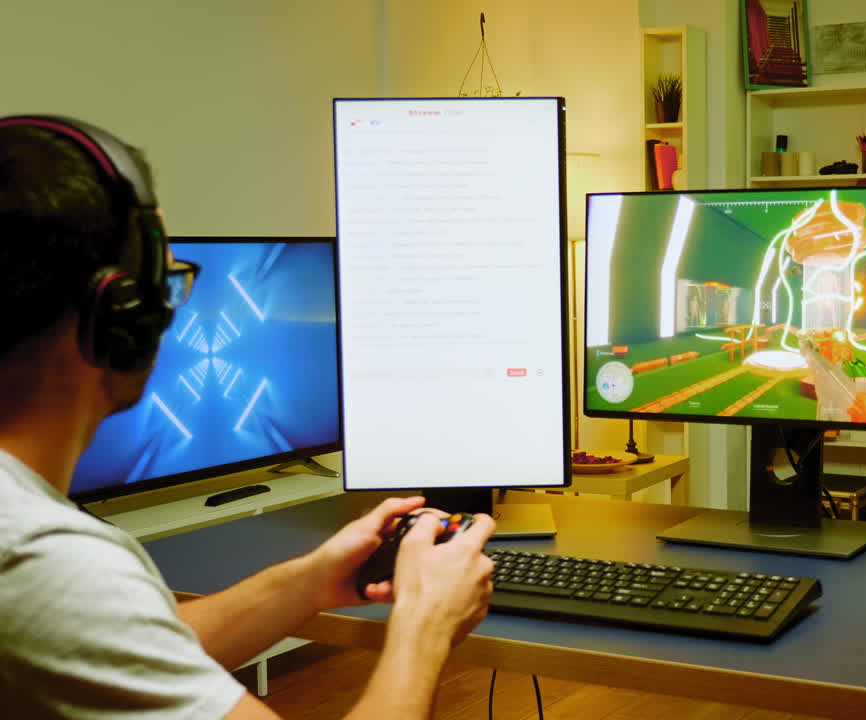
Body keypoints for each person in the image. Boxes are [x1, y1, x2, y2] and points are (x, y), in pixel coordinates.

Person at [0, 115, 495, 719]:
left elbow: (132, 648)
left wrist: (313, 578)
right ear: (121, 314)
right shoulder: (44, 561)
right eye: (168, 282)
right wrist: (426, 624)